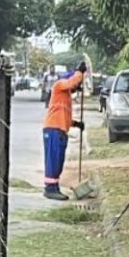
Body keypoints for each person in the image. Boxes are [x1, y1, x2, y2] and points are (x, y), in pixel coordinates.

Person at [42, 62, 87, 201]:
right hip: (53, 129)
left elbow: (63, 116)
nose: (75, 88)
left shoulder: (66, 96)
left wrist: (75, 124)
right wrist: (80, 72)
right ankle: (50, 189)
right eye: (74, 85)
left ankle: (54, 187)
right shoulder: (59, 85)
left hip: (60, 130)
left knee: (59, 161)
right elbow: (70, 83)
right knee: (53, 160)